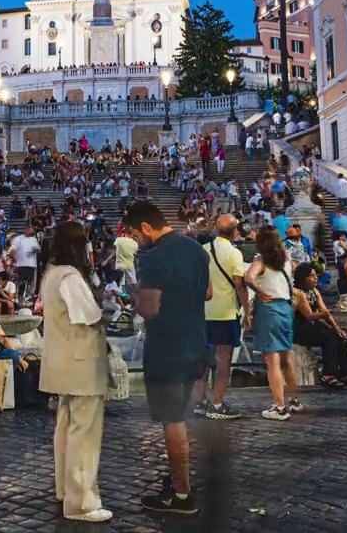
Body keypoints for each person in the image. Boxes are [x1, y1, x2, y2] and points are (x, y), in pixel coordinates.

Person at [123, 201, 208, 515]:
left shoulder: (154, 257)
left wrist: (135, 298)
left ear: (146, 227)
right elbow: (208, 292)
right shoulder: (197, 249)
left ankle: (182, 495)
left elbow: (149, 309)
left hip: (167, 348)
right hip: (197, 342)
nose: (138, 240)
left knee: (173, 421)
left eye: (136, 233)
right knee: (182, 417)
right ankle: (179, 480)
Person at [39, 221, 111, 523]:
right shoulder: (70, 277)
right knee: (84, 433)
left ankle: (64, 489)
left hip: (61, 360)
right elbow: (89, 315)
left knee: (66, 426)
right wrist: (105, 309)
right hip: (81, 361)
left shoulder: (50, 273)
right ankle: (81, 502)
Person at [193, 215, 248, 420]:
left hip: (204, 312)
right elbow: (240, 285)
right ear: (235, 232)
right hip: (226, 312)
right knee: (224, 359)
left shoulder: (202, 251)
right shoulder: (234, 254)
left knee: (205, 356)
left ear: (215, 228)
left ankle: (199, 400)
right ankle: (217, 403)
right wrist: (247, 310)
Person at [245, 228, 301, 420]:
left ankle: (279, 407)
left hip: (269, 310)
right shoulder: (286, 261)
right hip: (285, 309)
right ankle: (294, 400)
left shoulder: (261, 261)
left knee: (273, 363)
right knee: (288, 357)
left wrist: (260, 291)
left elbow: (248, 278)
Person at [291, 262, 347, 388]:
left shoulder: (315, 292)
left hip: (312, 325)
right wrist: (325, 316)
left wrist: (337, 328)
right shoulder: (297, 293)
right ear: (303, 278)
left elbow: (325, 312)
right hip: (299, 328)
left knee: (337, 336)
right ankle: (328, 374)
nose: (315, 278)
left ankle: (345, 372)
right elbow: (309, 315)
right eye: (312, 276)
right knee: (328, 337)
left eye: (315, 276)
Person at [8, 226, 41, 302]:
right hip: (21, 264)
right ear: (27, 230)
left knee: (30, 282)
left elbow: (37, 249)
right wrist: (13, 256)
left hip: (31, 264)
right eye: (31, 231)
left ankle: (28, 298)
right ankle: (20, 298)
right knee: (21, 282)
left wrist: (35, 250)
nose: (32, 233)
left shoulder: (33, 239)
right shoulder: (18, 239)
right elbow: (12, 249)